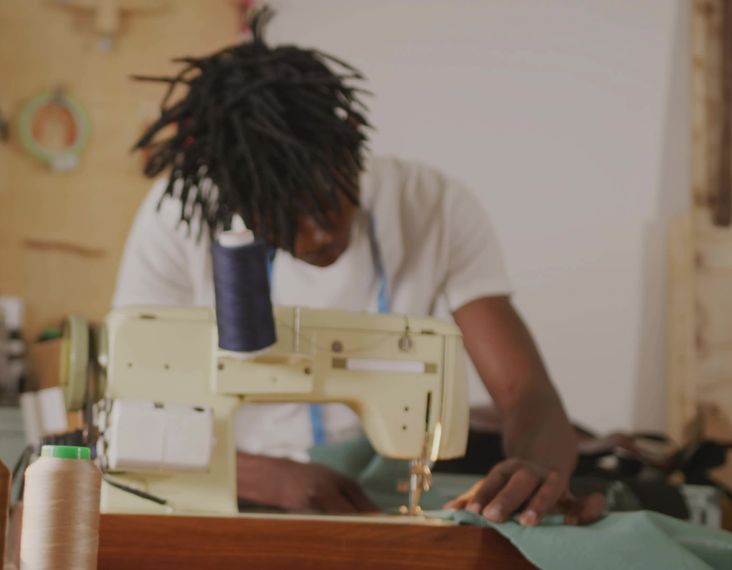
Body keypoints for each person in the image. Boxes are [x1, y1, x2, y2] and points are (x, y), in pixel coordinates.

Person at [113, 11, 603, 526]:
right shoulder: (176, 227)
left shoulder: (431, 207)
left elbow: (525, 392)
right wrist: (266, 477)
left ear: (352, 140)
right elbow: (135, 417)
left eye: (329, 201)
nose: (319, 233)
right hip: (224, 489)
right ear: (236, 202)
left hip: (372, 485)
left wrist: (537, 470)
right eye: (285, 219)